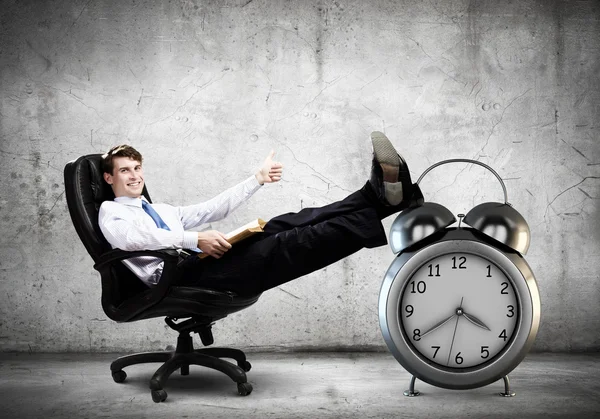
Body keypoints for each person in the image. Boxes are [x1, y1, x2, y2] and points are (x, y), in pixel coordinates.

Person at [98, 132, 424, 296]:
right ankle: (388, 202)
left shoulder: (159, 210)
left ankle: (380, 198)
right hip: (173, 278)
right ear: (109, 178)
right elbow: (132, 239)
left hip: (197, 262)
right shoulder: (111, 212)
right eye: (124, 170)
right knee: (288, 243)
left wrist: (257, 179)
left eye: (137, 168)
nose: (135, 175)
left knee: (287, 222)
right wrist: (194, 238)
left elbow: (213, 207)